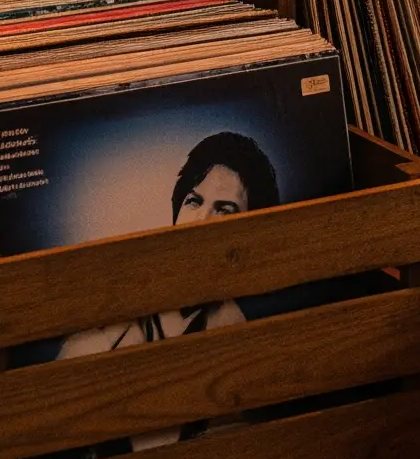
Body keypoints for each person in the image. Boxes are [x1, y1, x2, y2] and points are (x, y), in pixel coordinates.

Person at [54, 129, 282, 442]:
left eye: (224, 210)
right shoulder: (112, 319)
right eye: (194, 201)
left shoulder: (235, 333)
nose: (201, 220)